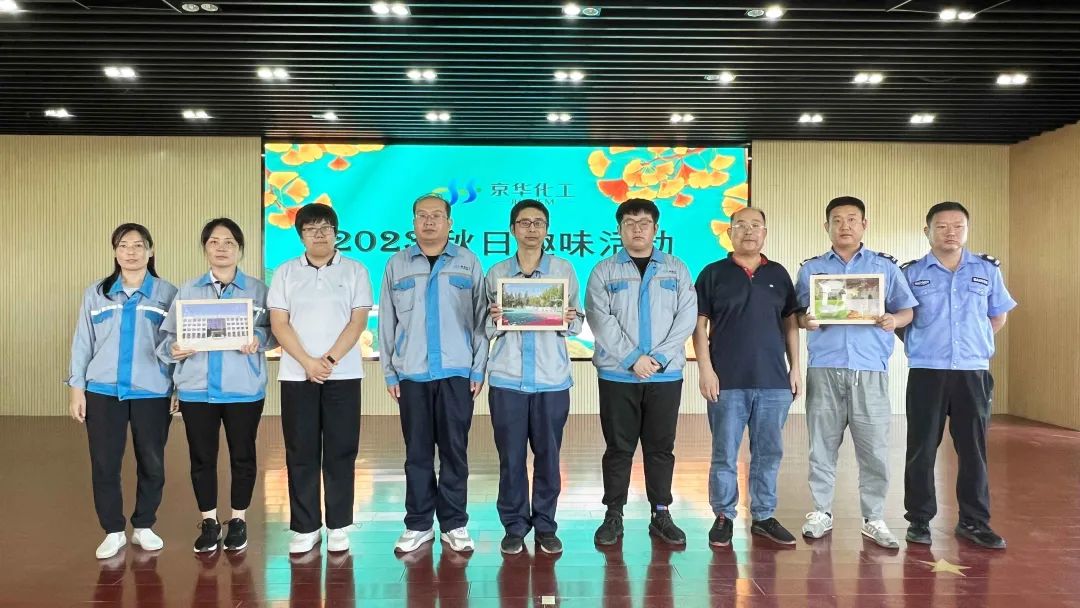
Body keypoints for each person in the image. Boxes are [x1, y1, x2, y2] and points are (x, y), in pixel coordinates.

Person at [795, 196, 918, 549]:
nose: (844, 226)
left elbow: (907, 310)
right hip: (825, 368)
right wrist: (807, 321)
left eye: (852, 219)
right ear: (827, 226)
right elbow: (797, 314)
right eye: (837, 220)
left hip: (870, 370)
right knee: (821, 446)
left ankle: (874, 518)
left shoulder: (884, 268)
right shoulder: (812, 268)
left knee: (874, 449)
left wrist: (893, 320)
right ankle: (821, 512)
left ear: (864, 225)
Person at [899, 201, 1016, 549]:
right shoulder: (911, 273)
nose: (950, 232)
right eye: (942, 226)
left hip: (972, 373)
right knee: (921, 449)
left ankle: (974, 521)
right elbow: (902, 320)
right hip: (927, 372)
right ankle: (919, 520)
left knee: (973, 450)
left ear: (967, 230)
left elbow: (998, 315)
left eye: (958, 226)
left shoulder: (987, 270)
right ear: (927, 231)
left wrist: (973, 344)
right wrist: (925, 344)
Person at [379, 194, 488, 554]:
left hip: (457, 373)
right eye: (422, 215)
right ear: (413, 222)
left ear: (449, 223)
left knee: (455, 451)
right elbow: (387, 322)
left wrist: (478, 367)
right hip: (412, 373)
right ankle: (419, 524)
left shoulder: (468, 262)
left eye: (437, 215)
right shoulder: (397, 264)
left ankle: (454, 524)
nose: (429, 221)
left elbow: (481, 319)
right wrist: (390, 372)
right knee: (417, 453)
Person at [585, 198, 697, 546]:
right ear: (619, 229)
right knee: (618, 448)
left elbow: (687, 317)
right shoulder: (604, 271)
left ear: (655, 229)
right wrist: (633, 358)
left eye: (644, 223)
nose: (637, 229)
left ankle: (660, 513)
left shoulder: (676, 269)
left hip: (665, 375)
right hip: (618, 375)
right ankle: (613, 514)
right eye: (630, 223)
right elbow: (599, 319)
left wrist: (658, 358)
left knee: (660, 447)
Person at [159, 218, 275, 553]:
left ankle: (238, 520)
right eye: (213, 242)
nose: (221, 248)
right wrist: (174, 349)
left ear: (240, 249)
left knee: (243, 456)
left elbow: (275, 332)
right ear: (205, 248)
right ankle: (209, 522)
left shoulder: (258, 291)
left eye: (229, 242)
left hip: (244, 390)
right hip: (197, 390)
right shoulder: (188, 291)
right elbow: (167, 340)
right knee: (201, 458)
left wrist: (259, 337)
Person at [691, 207, 801, 547]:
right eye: (741, 225)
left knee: (769, 453)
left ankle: (763, 516)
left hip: (774, 382)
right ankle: (724, 515)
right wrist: (705, 369)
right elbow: (698, 325)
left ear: (765, 232)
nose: (749, 231)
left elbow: (791, 323)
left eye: (756, 225)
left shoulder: (778, 274)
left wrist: (796, 368)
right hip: (727, 382)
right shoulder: (713, 273)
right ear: (730, 233)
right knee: (724, 453)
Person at [267, 204, 373, 554]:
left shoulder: (355, 270)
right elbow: (279, 323)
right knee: (301, 451)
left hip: (343, 374)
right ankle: (306, 527)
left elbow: (358, 321)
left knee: (341, 450)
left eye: (325, 228)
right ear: (301, 235)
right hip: (297, 376)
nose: (319, 234)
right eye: (311, 229)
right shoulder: (285, 272)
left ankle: (339, 524)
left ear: (335, 232)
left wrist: (327, 360)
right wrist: (307, 362)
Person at [68, 223, 178, 559]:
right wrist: (77, 388)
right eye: (123, 245)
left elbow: (178, 342)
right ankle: (113, 531)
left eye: (138, 245)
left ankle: (144, 526)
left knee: (152, 462)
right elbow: (83, 342)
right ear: (115, 252)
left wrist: (177, 386)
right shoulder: (96, 293)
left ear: (150, 250)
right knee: (105, 463)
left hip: (153, 390)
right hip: (103, 390)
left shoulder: (168, 293)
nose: (131, 252)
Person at [484, 199, 583, 555]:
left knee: (548, 457)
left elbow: (577, 322)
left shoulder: (563, 270)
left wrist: (568, 318)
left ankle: (545, 525)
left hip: (551, 379)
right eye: (524, 222)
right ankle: (514, 526)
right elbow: (483, 326)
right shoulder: (497, 273)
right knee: (510, 459)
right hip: (507, 379)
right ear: (512, 229)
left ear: (546, 229)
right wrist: (496, 317)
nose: (531, 228)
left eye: (538, 222)